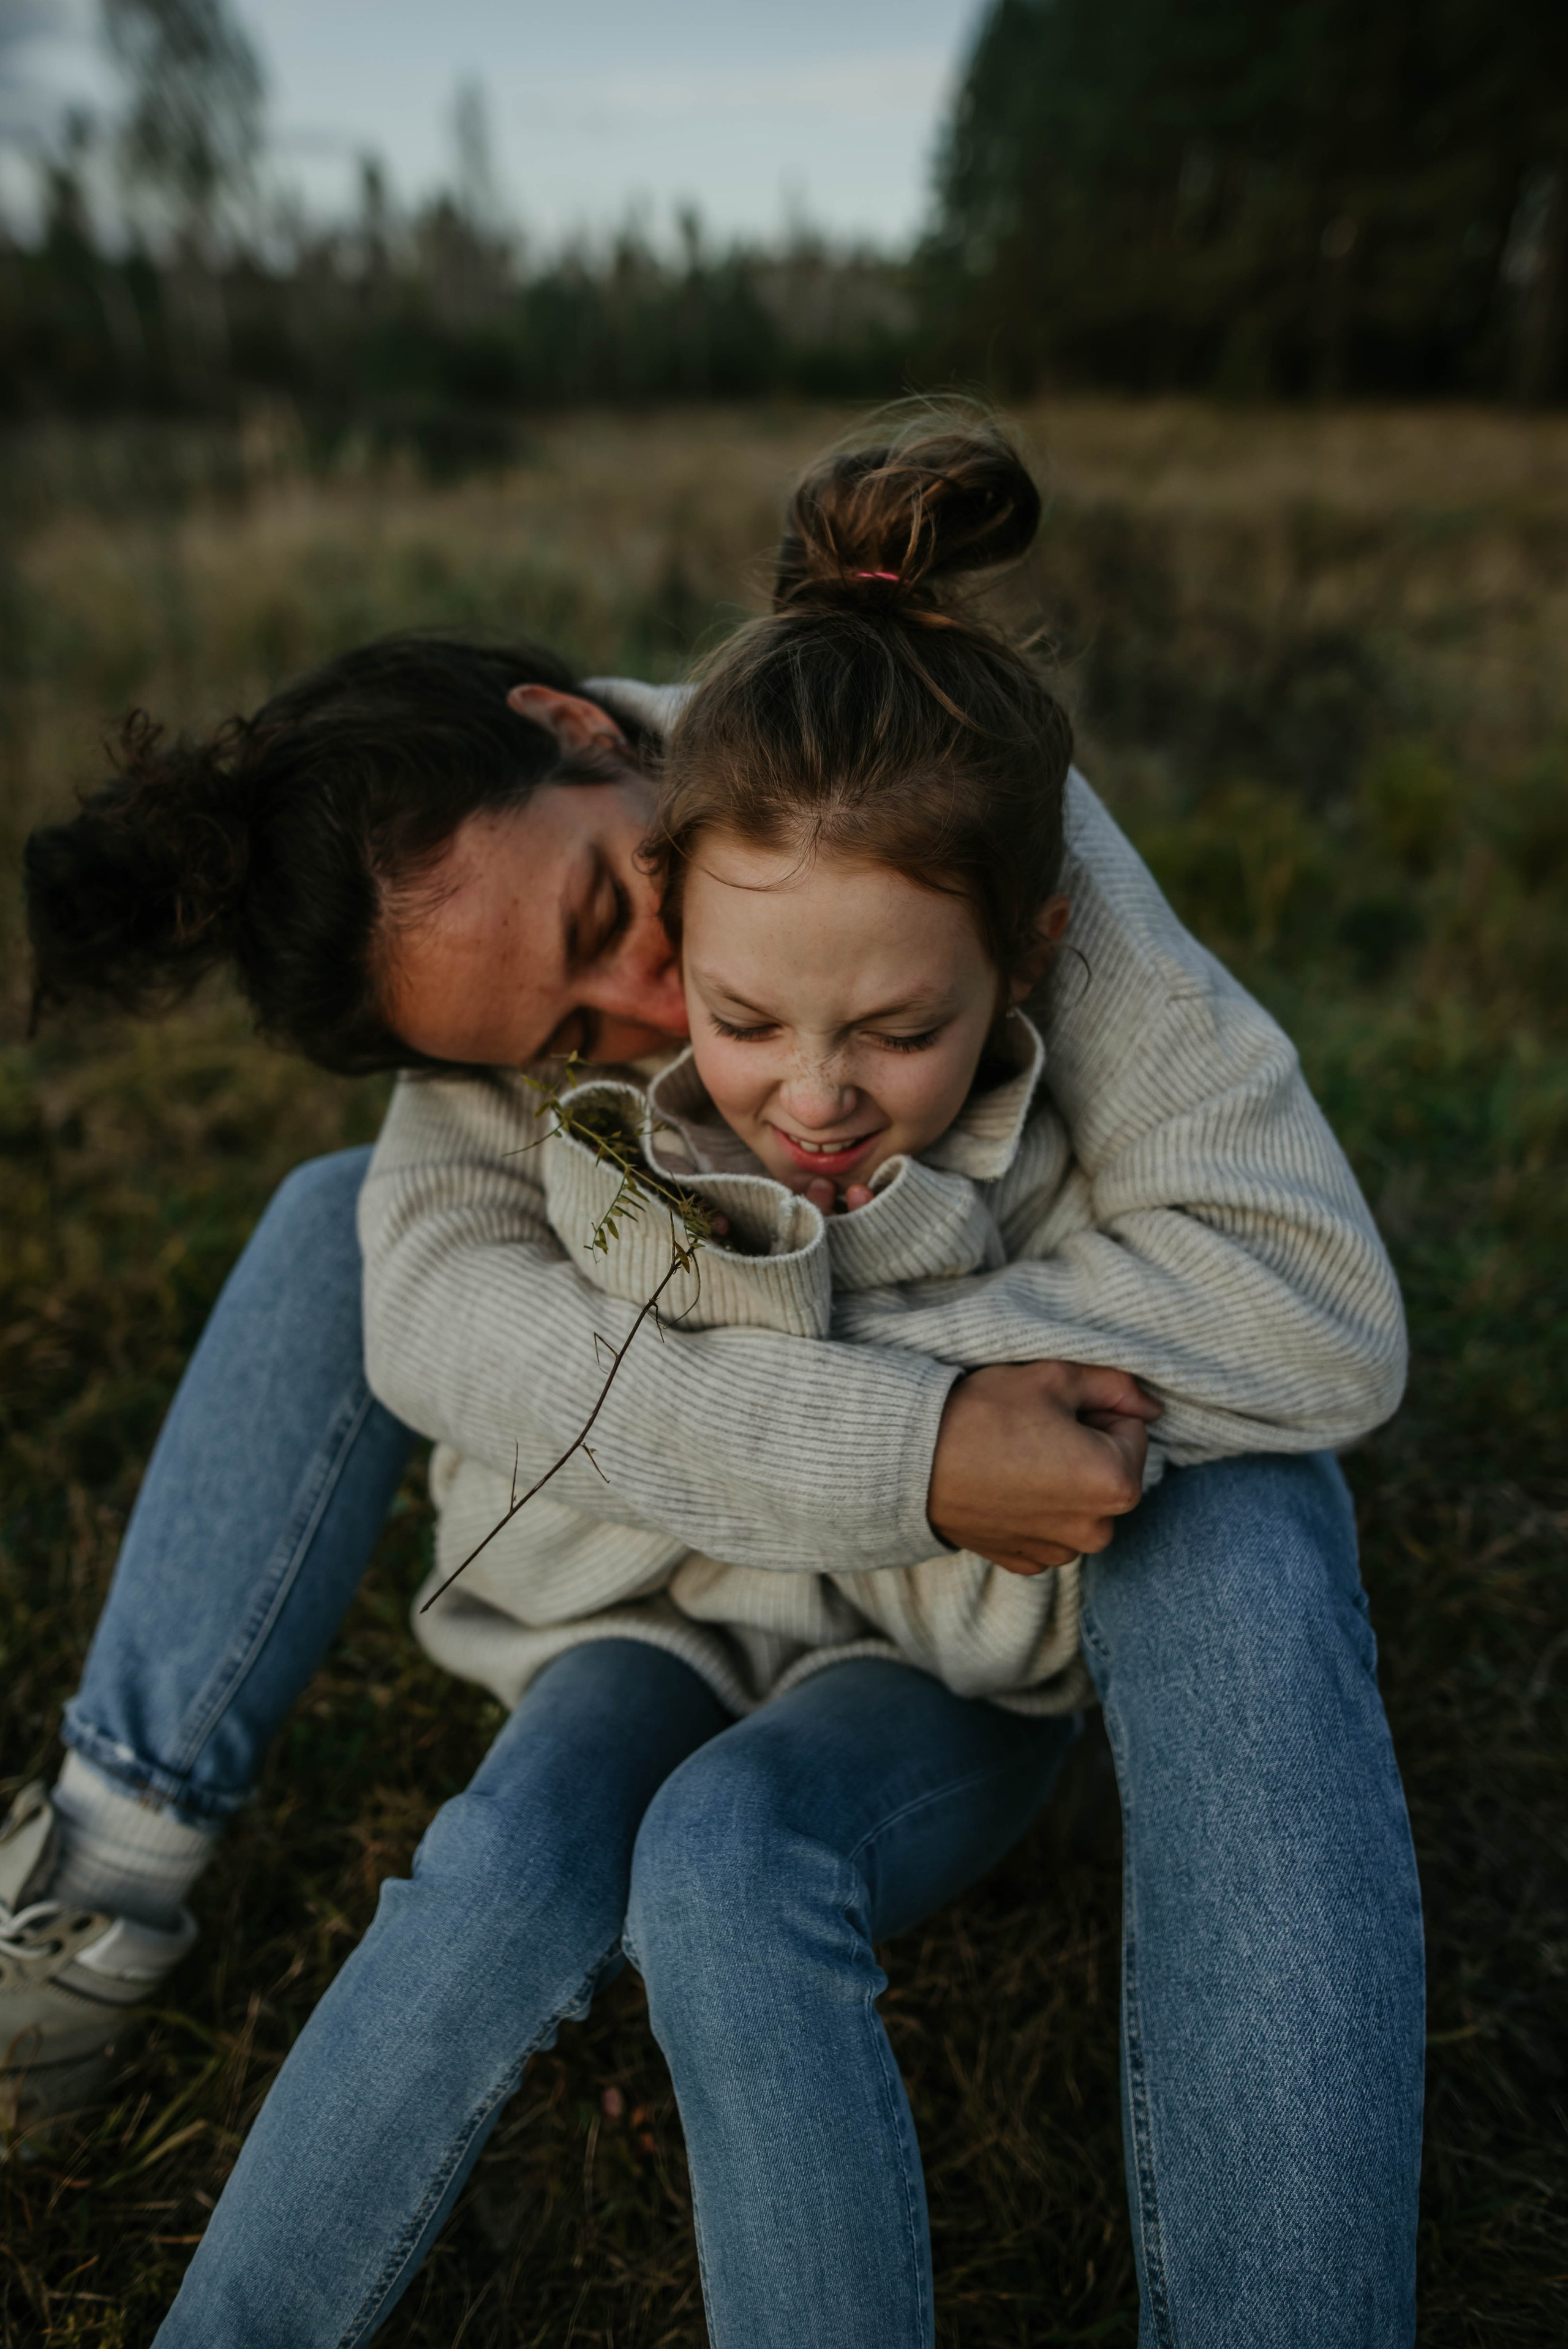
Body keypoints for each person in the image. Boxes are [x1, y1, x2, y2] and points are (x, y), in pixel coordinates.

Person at [4, 423, 1424, 2345]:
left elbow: (1314, 1300)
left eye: (615, 922)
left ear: (582, 728)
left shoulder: (954, 789)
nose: (675, 1024)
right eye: (567, 1040)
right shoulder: (481, 988)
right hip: (696, 1600)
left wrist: (933, 1418)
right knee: (346, 1240)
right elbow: (427, 1319)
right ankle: (101, 1867)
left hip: (972, 1622)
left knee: (1250, 1485)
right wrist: (903, 1439)